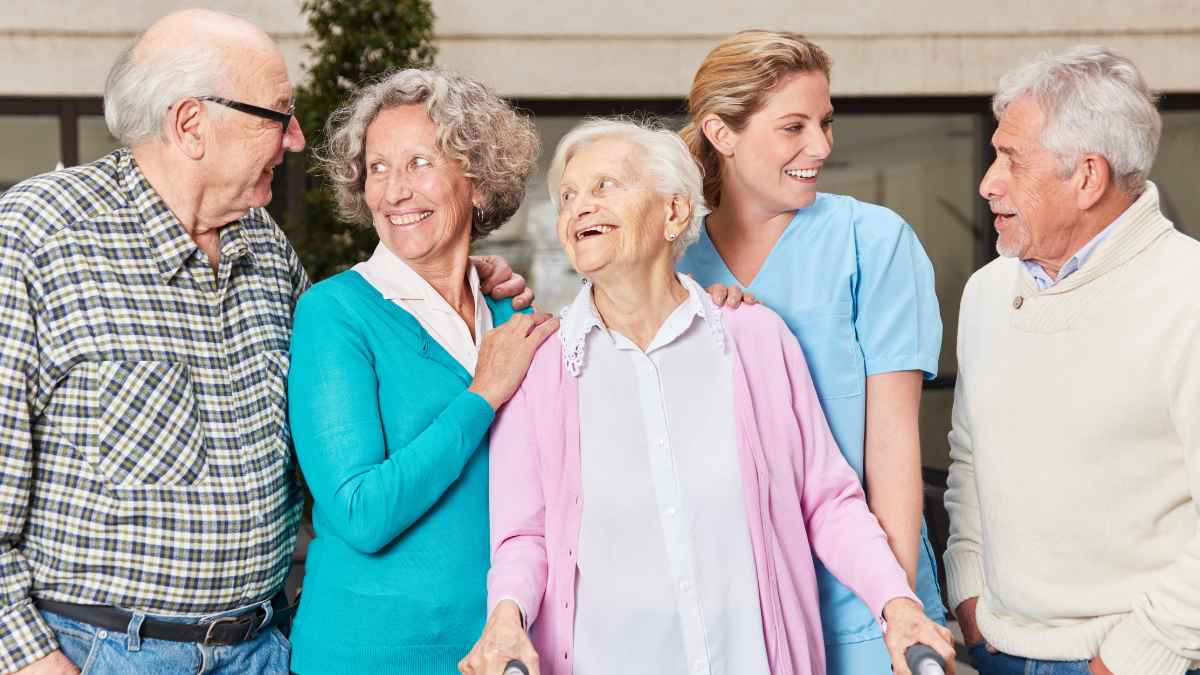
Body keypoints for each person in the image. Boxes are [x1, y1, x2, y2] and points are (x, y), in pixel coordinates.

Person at [0, 13, 527, 675]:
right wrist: (28, 659)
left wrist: (462, 275)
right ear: (192, 124)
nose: (297, 138)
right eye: (279, 114)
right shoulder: (38, 234)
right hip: (103, 651)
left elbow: (366, 384)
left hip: (260, 647)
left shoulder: (267, 250)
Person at [460, 119, 956, 675]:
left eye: (605, 186)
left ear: (674, 213)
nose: (580, 207)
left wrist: (898, 603)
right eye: (569, 196)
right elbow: (523, 535)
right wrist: (506, 617)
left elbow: (826, 500)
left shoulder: (754, 338)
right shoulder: (543, 367)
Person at [675, 30, 947, 674]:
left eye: (825, 124)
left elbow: (892, 442)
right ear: (721, 133)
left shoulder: (873, 242)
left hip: (862, 597)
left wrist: (894, 606)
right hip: (732, 601)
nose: (820, 147)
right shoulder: (672, 260)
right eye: (793, 127)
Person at [286, 68, 557, 675]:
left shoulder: (509, 312)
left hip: (502, 653)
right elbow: (360, 512)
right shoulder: (335, 314)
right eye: (377, 168)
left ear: (479, 183)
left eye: (418, 163)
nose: (394, 191)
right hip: (365, 655)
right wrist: (481, 394)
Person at [943, 45, 1200, 675]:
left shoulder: (1189, 295)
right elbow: (970, 456)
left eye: (1011, 160)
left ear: (1087, 176)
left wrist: (1138, 658)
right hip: (998, 647)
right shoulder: (988, 292)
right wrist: (969, 592)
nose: (987, 182)